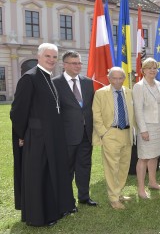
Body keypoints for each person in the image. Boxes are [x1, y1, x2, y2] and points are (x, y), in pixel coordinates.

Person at [10, 43, 75, 226]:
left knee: (53, 173)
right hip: (37, 138)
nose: (51, 60)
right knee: (41, 176)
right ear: (38, 57)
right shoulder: (29, 78)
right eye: (48, 56)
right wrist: (22, 134)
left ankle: (57, 208)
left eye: (54, 57)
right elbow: (17, 111)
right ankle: (41, 216)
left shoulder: (48, 77)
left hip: (53, 137)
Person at [52, 50, 97, 206]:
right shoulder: (55, 83)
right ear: (64, 65)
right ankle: (66, 200)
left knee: (84, 166)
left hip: (86, 134)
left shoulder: (87, 82)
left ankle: (84, 197)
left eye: (79, 63)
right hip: (66, 135)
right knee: (66, 169)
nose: (78, 66)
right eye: (74, 63)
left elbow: (90, 107)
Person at [92, 67, 135, 209]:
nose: (117, 81)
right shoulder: (100, 93)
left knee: (124, 166)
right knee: (112, 167)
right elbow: (96, 114)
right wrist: (103, 133)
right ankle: (113, 198)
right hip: (110, 133)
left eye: (120, 78)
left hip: (127, 133)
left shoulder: (129, 92)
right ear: (109, 78)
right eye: (114, 78)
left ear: (124, 78)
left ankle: (119, 192)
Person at [132, 58, 160, 199]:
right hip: (146, 127)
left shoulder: (158, 84)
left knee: (155, 155)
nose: (152, 70)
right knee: (144, 158)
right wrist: (143, 130)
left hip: (158, 126)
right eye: (149, 68)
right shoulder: (139, 86)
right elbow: (138, 110)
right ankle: (141, 189)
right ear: (143, 70)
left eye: (155, 68)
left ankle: (152, 182)